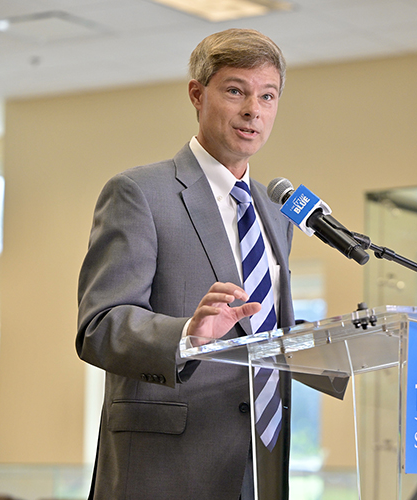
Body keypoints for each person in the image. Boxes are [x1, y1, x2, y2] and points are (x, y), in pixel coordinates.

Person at [77, 28, 296, 499]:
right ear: (197, 95)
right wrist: (186, 335)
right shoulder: (139, 193)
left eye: (268, 95)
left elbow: (263, 336)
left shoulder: (278, 214)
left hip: (260, 466)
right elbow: (100, 326)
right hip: (166, 469)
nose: (253, 110)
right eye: (236, 90)